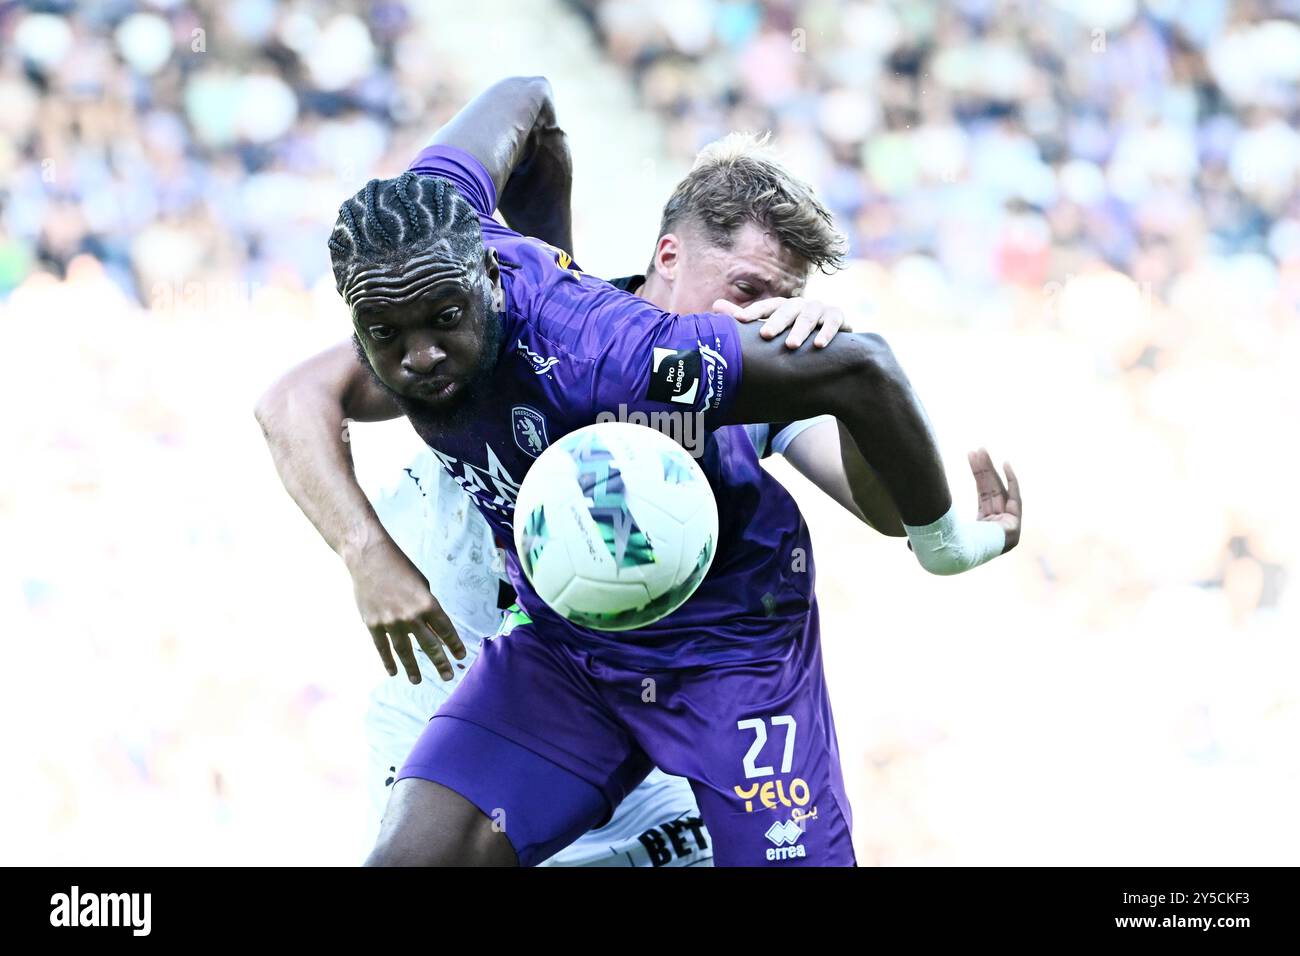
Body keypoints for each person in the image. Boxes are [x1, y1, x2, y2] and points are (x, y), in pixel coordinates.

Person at [259, 77, 1022, 866]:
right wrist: (365, 550)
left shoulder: (684, 361)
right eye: (749, 290)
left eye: (781, 302)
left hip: (732, 661)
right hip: (568, 650)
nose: (760, 319)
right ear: (669, 254)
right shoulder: (430, 250)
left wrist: (945, 541)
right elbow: (530, 96)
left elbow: (866, 389)